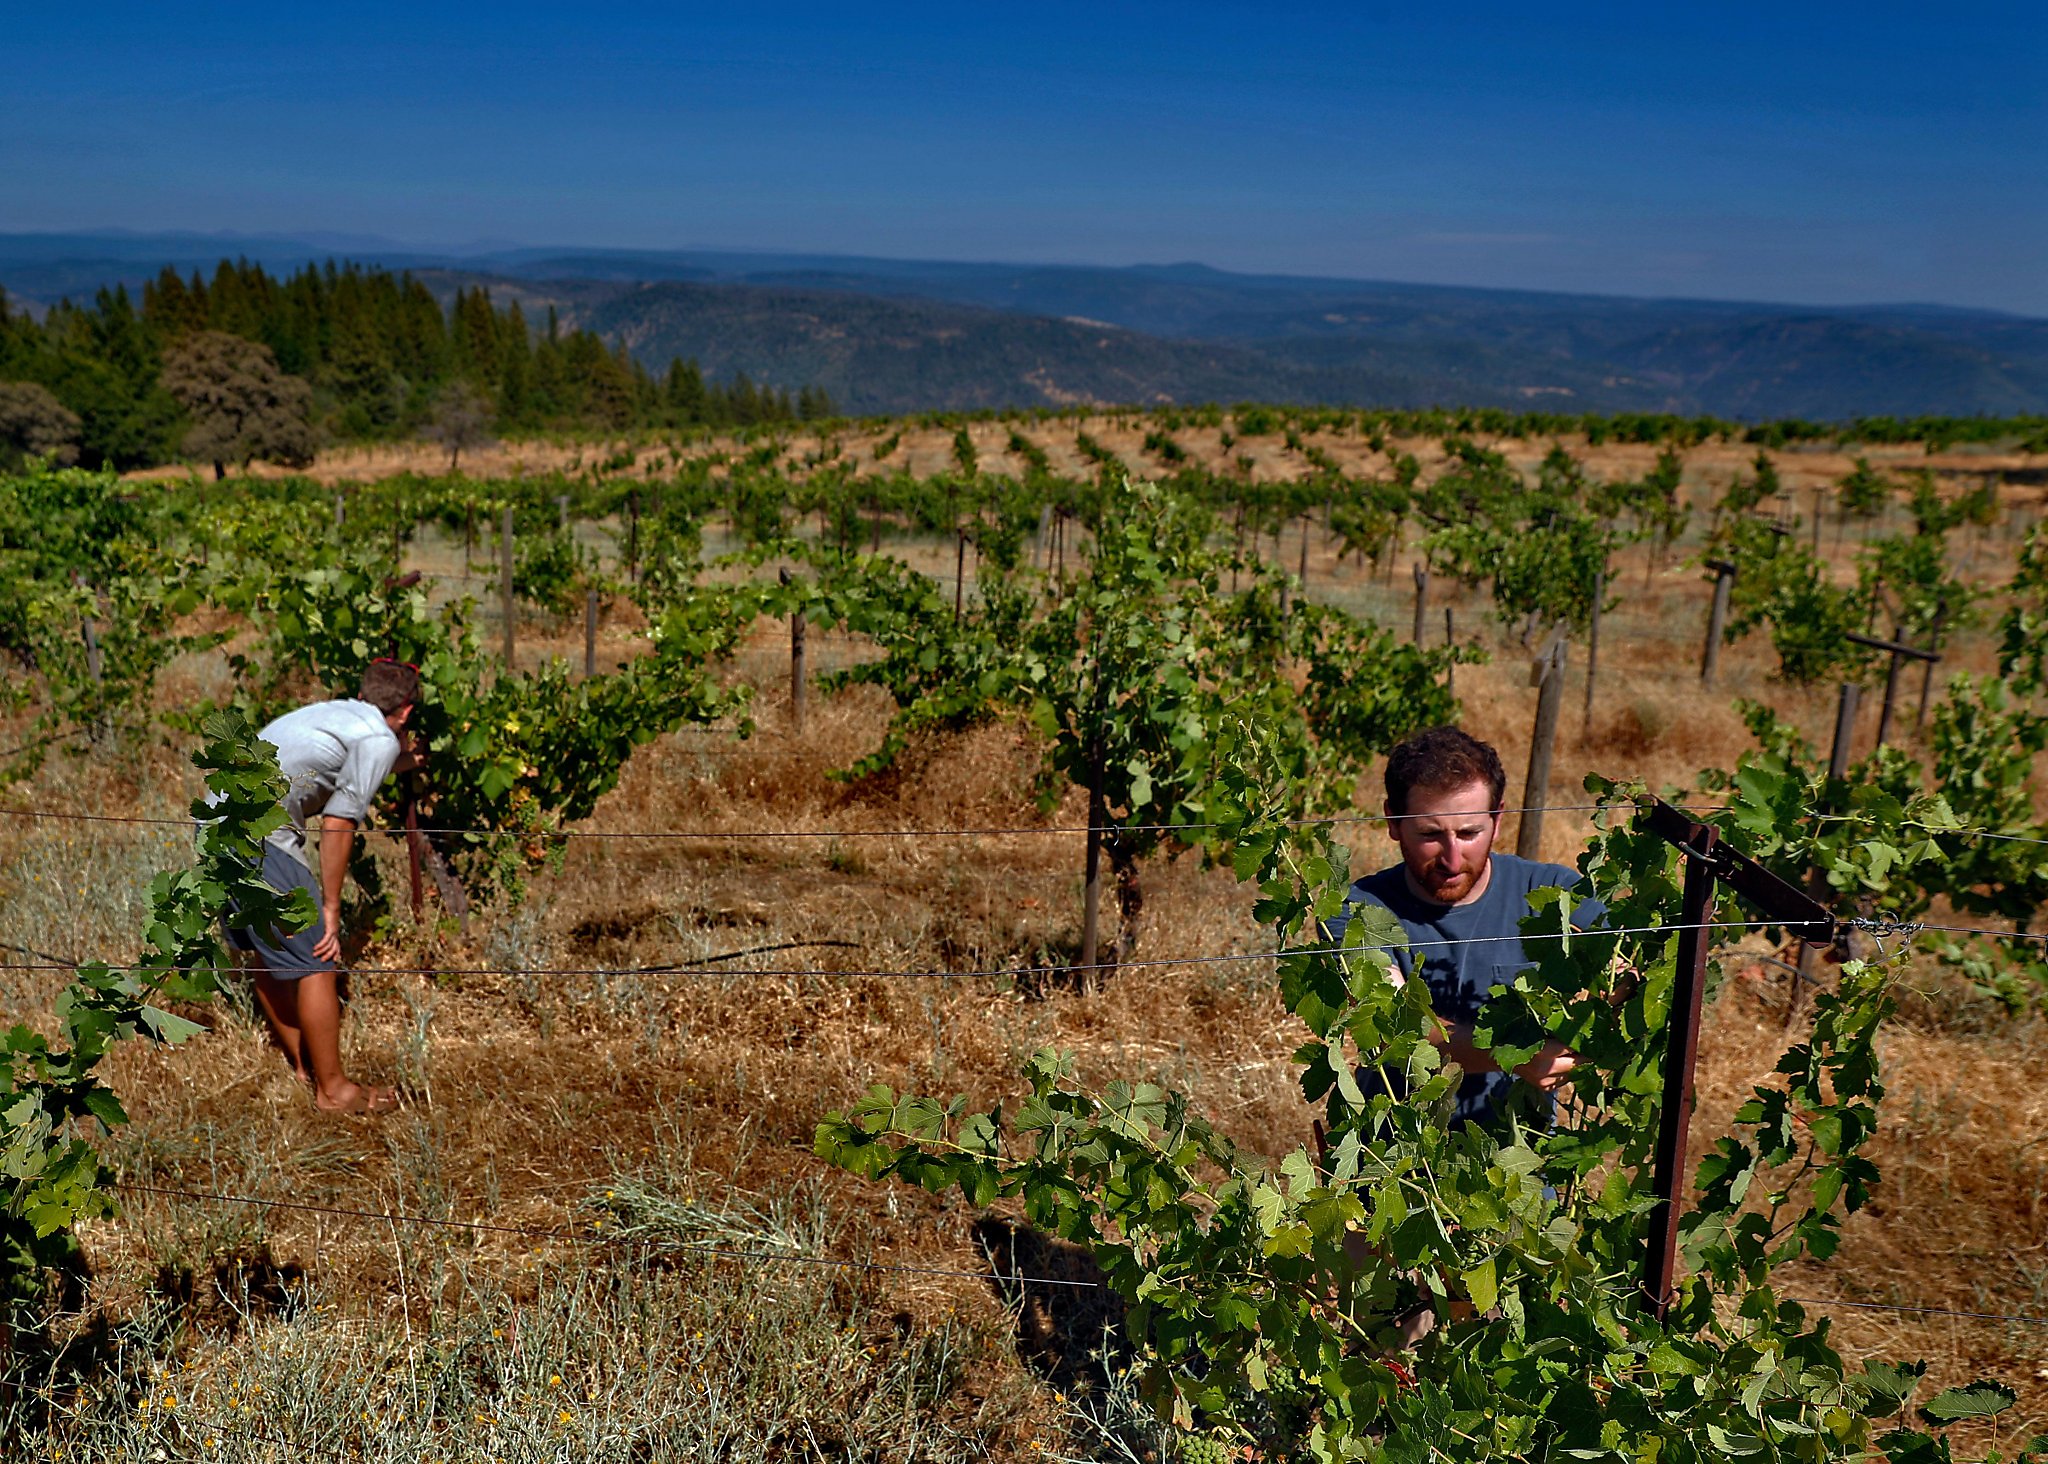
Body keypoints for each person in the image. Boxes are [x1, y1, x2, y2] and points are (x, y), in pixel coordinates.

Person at [1328, 725, 1602, 1128]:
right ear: (1392, 822)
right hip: (1398, 1165)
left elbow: (1630, 958)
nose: (1452, 860)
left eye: (1470, 833)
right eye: (1430, 835)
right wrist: (1516, 1051)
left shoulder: (1553, 894)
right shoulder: (1358, 910)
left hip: (1520, 1164)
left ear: (1498, 820)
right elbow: (1396, 1030)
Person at [226, 658, 418, 1115]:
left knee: (265, 953)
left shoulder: (336, 715)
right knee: (317, 959)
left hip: (216, 828)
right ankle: (334, 1091)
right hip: (262, 838)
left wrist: (401, 762)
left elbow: (325, 766)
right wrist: (331, 907)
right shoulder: (378, 738)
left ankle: (305, 1067)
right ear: (407, 712)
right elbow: (337, 822)